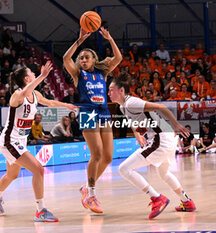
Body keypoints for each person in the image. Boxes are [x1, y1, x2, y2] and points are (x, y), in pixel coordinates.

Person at [0, 62, 76, 222]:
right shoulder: (16, 96)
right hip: (9, 141)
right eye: (32, 74)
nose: (35, 74)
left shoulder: (36, 95)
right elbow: (24, 93)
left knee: (12, 175)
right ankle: (40, 211)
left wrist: (66, 105)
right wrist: (42, 76)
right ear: (27, 79)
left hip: (19, 141)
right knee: (38, 170)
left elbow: (50, 102)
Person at [108, 72, 196, 219]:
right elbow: (134, 123)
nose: (108, 93)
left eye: (111, 90)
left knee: (124, 168)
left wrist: (176, 125)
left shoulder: (131, 103)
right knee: (164, 173)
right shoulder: (124, 107)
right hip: (165, 138)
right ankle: (186, 201)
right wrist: (139, 137)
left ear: (121, 90)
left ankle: (157, 198)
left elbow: (161, 107)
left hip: (161, 139)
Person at [63, 27, 122, 213]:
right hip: (88, 113)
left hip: (103, 112)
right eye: (81, 58)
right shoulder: (78, 74)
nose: (83, 60)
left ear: (94, 60)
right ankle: (91, 194)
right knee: (96, 155)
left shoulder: (102, 73)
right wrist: (79, 41)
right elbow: (65, 59)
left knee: (108, 157)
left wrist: (110, 38)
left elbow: (118, 58)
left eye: (86, 58)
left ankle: (86, 187)